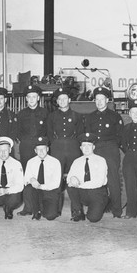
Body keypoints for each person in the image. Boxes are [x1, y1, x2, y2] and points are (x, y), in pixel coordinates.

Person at [84, 86, 124, 218]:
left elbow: (120, 136)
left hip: (110, 149)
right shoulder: (90, 117)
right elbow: (87, 136)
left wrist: (112, 146)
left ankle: (117, 211)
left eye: (102, 99)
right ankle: (97, 207)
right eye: (97, 99)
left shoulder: (115, 116)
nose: (99, 102)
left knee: (113, 180)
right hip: (95, 149)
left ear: (107, 100)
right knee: (95, 179)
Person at [46, 86, 83, 214]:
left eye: (64, 98)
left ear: (69, 100)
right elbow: (49, 134)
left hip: (73, 147)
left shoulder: (77, 116)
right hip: (57, 148)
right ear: (57, 101)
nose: (62, 101)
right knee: (56, 179)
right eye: (59, 99)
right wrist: (55, 146)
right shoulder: (51, 116)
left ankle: (77, 211)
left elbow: (80, 134)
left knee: (74, 177)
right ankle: (55, 210)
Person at [16, 84, 48, 215]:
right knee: (27, 176)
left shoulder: (45, 113)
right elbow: (17, 131)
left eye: (34, 97)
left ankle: (41, 206)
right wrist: (26, 141)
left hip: (41, 148)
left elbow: (48, 131)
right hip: (27, 147)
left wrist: (44, 146)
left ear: (38, 98)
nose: (31, 99)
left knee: (41, 175)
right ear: (26, 99)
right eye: (29, 97)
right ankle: (28, 207)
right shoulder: (21, 114)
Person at [67, 133, 109, 223]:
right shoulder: (77, 161)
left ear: (93, 147)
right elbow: (69, 178)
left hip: (97, 193)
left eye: (89, 145)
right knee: (70, 187)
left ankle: (96, 208)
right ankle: (78, 212)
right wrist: (72, 178)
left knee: (93, 218)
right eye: (84, 146)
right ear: (80, 148)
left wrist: (79, 184)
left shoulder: (101, 160)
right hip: (83, 192)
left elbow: (99, 182)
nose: (86, 148)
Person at [23, 137, 62, 220]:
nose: (41, 151)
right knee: (28, 189)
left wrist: (40, 186)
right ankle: (36, 211)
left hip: (50, 190)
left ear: (47, 149)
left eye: (43, 149)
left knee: (50, 216)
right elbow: (26, 178)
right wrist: (32, 179)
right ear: (35, 151)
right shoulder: (31, 162)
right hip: (36, 191)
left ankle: (54, 205)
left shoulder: (55, 162)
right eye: (38, 149)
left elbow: (56, 184)